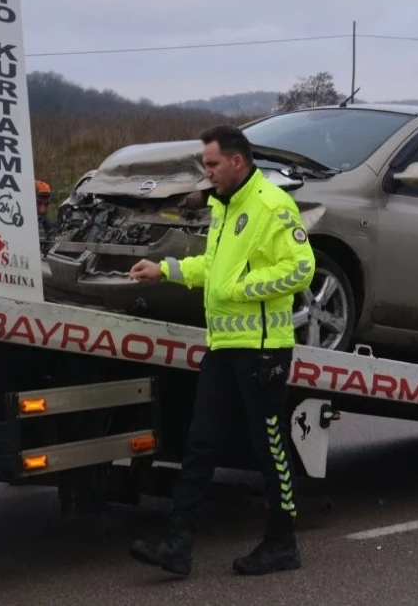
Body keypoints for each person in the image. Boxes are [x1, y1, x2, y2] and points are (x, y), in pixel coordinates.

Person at [127, 124, 314, 577]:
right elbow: (213, 267)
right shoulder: (224, 207)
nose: (206, 172)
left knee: (268, 446)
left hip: (263, 350)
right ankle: (178, 543)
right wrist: (165, 269)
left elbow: (301, 269)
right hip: (224, 346)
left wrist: (241, 288)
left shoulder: (272, 205)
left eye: (211, 164)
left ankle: (282, 542)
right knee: (200, 443)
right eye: (204, 164)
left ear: (237, 161)